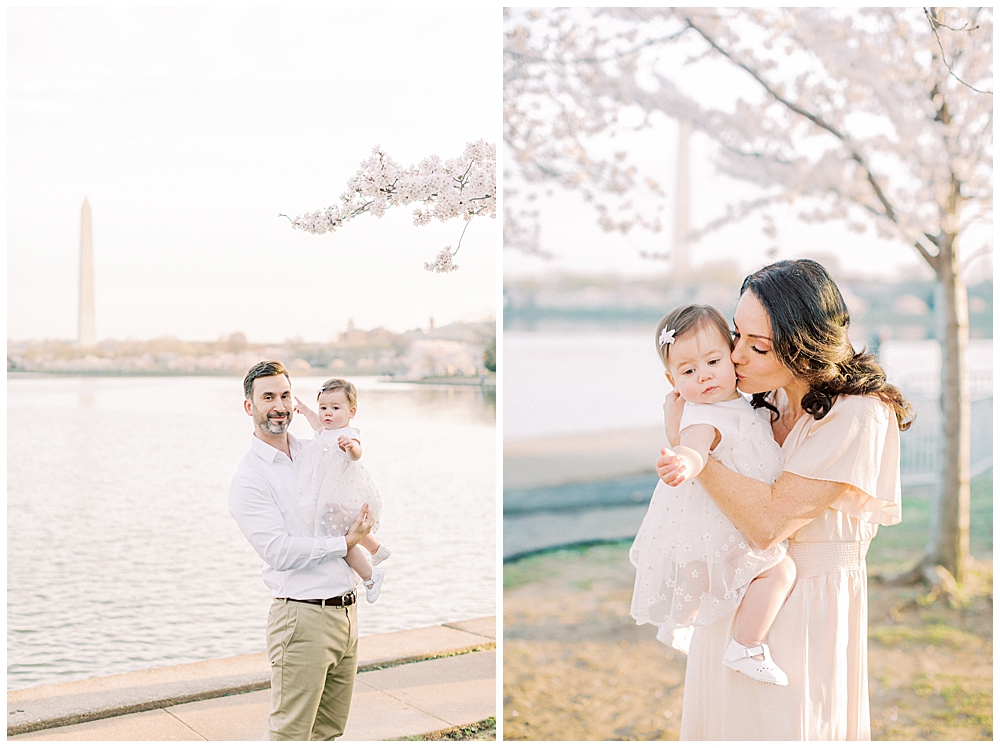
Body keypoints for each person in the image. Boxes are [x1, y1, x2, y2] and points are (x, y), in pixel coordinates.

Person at [656, 260, 910, 740]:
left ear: (804, 348)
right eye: (737, 335)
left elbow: (770, 522)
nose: (735, 355)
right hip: (732, 602)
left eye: (759, 346)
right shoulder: (757, 406)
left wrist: (693, 451)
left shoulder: (857, 415)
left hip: (807, 611)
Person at [630, 304, 796, 686]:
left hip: (726, 518)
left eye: (713, 361)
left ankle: (681, 622)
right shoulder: (705, 416)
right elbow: (694, 446)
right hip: (729, 521)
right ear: (672, 380)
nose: (703, 376)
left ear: (732, 357)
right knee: (778, 570)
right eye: (688, 371)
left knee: (703, 576)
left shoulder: (736, 403)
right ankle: (746, 646)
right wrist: (683, 462)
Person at [229, 360, 374, 741]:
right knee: (291, 735)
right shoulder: (250, 479)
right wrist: (345, 543)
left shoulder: (315, 451)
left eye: (285, 395)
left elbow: (351, 478)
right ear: (250, 406)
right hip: (302, 617)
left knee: (328, 733)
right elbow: (279, 551)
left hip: (346, 612)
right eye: (268, 397)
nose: (279, 405)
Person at [293, 378, 391, 604]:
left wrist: (350, 446)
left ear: (351, 412)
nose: (327, 413)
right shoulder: (323, 429)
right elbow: (313, 421)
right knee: (346, 524)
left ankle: (369, 575)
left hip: (344, 489)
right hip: (330, 493)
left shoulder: (347, 433)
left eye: (335, 408)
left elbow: (357, 453)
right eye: (323, 408)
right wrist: (305, 409)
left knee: (339, 536)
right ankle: (376, 549)